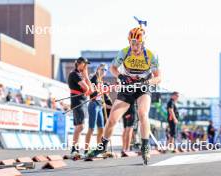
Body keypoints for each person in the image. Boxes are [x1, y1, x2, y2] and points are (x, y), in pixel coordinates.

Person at [88, 19, 161, 164]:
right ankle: (103, 145)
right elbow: (113, 68)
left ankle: (145, 145)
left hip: (143, 87)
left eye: (137, 44)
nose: (134, 47)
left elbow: (158, 78)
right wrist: (120, 76)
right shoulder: (124, 52)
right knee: (113, 119)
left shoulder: (151, 56)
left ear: (143, 43)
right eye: (132, 43)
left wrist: (146, 82)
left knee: (142, 113)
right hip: (127, 87)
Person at [67, 57, 92, 155]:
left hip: (82, 101)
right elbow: (87, 89)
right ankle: (74, 148)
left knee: (79, 126)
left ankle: (75, 149)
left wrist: (86, 76)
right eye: (85, 64)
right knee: (80, 126)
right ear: (80, 64)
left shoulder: (80, 75)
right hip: (77, 101)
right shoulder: (75, 74)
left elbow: (92, 90)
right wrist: (85, 76)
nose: (86, 67)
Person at [85, 63, 108, 155]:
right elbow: (90, 89)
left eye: (105, 70)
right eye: (102, 69)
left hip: (99, 105)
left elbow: (101, 94)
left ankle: (99, 149)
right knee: (91, 128)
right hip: (93, 104)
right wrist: (97, 90)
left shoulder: (101, 81)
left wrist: (103, 101)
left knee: (101, 129)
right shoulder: (94, 78)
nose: (104, 71)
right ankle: (86, 150)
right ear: (98, 69)